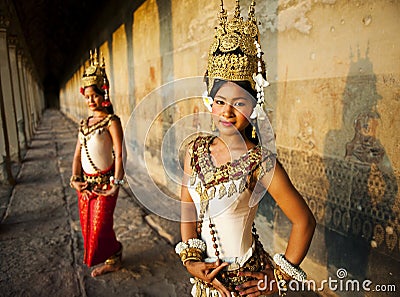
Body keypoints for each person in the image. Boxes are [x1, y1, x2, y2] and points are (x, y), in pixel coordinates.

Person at [176, 1, 316, 296]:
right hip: (205, 282)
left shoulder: (261, 163)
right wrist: (191, 260)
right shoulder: (195, 151)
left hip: (246, 284)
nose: (227, 112)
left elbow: (303, 221)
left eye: (239, 103)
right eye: (220, 102)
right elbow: (187, 201)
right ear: (210, 104)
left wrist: (277, 280)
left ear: (253, 107)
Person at [70, 50, 125, 277]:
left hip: (106, 183)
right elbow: (76, 156)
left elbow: (120, 154)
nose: (90, 101)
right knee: (87, 229)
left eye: (94, 95)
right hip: (85, 185)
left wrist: (117, 183)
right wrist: (74, 179)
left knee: (101, 227)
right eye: (87, 96)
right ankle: (112, 256)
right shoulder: (84, 124)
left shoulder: (112, 121)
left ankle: (115, 255)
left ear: (103, 94)